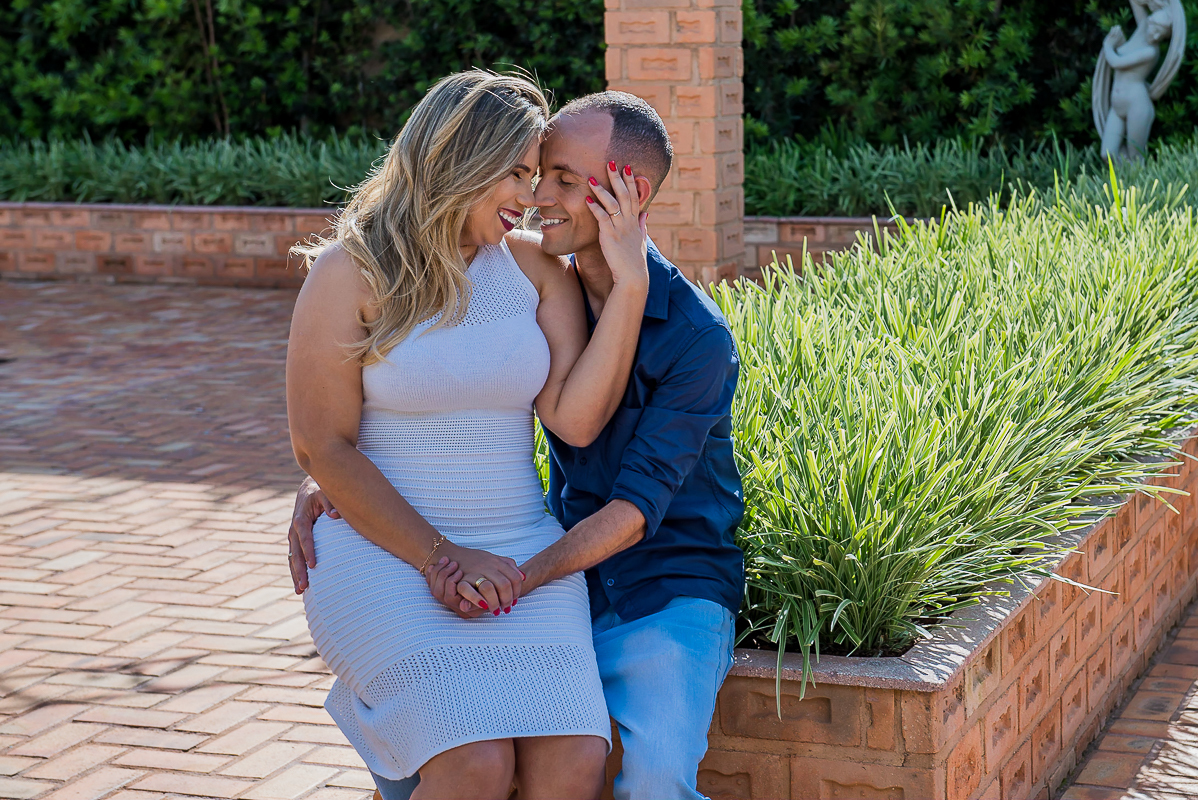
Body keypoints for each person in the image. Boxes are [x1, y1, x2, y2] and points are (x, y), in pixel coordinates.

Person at [290, 90, 745, 800]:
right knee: (476, 765)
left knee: (578, 764)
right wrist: (415, 538)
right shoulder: (350, 271)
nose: (533, 198)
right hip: (399, 550)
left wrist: (631, 286)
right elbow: (324, 441)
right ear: (458, 161)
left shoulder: (546, 275)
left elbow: (577, 426)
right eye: (522, 173)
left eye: (547, 176)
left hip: (560, 558)